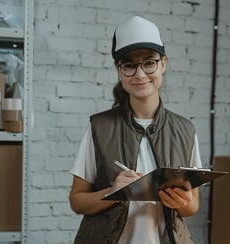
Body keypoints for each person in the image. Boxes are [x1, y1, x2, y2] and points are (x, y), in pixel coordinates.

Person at [69, 15, 203, 244]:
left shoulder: (185, 130)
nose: (140, 75)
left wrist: (181, 201)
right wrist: (113, 192)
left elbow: (193, 206)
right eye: (129, 65)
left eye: (149, 63)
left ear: (163, 64)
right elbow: (77, 201)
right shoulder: (99, 128)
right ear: (119, 70)